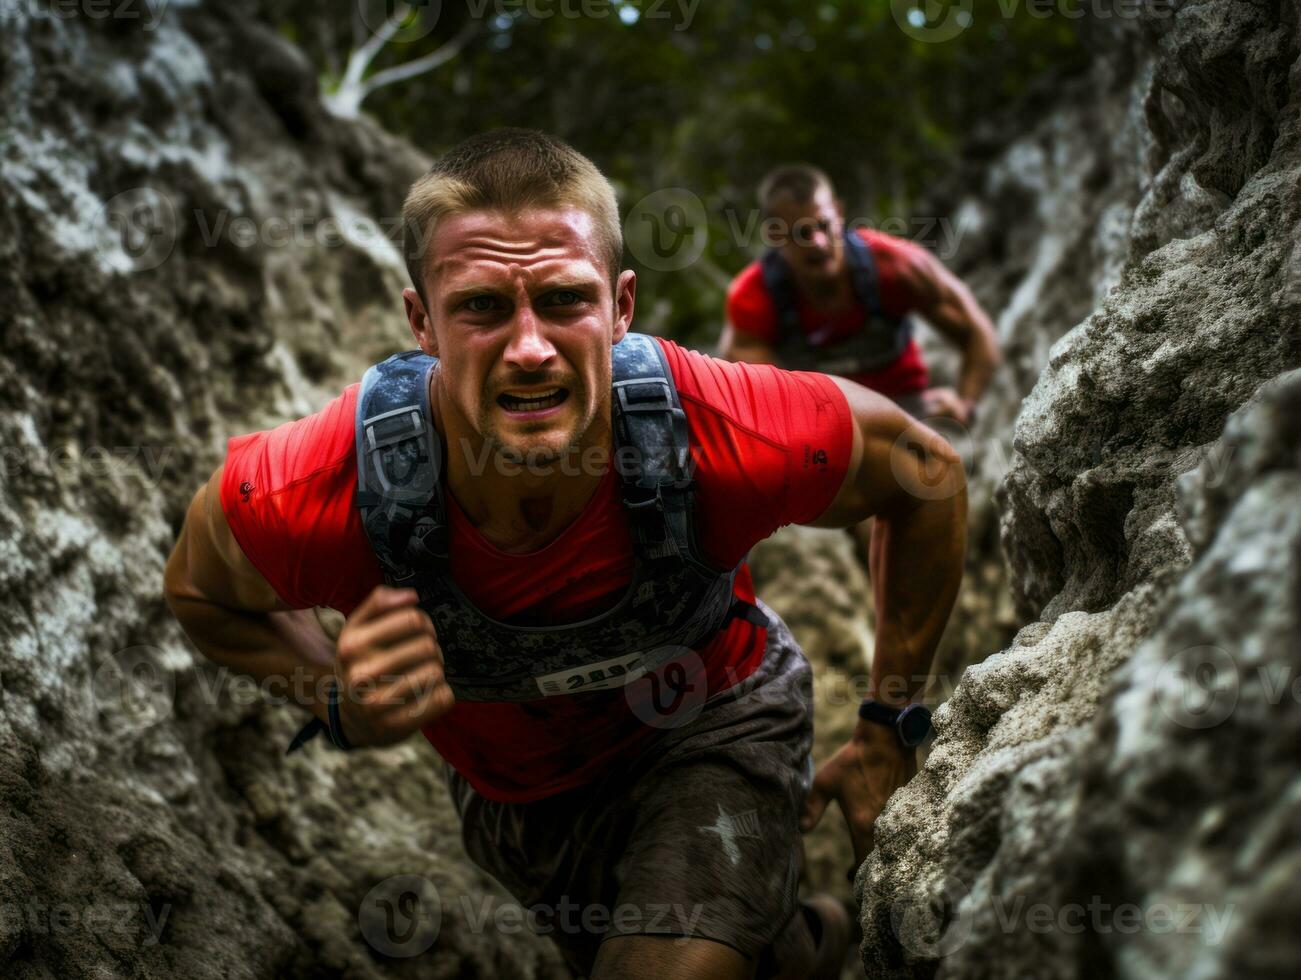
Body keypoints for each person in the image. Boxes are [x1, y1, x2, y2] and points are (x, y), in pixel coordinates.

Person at [163, 129, 967, 980]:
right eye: (479, 306)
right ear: (419, 320)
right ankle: (812, 941)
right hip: (515, 805)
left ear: (620, 308)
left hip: (716, 725)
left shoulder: (718, 429)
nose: (530, 349)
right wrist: (332, 698)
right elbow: (198, 593)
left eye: (562, 299)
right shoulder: (317, 490)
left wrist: (888, 725)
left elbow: (925, 474)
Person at [720, 164, 998, 575]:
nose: (817, 243)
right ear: (774, 236)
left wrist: (965, 402)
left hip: (904, 409)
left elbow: (978, 335)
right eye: (800, 234)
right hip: (821, 426)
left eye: (823, 226)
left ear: (840, 214)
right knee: (874, 516)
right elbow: (751, 410)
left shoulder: (897, 266)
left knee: (933, 491)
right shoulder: (753, 299)